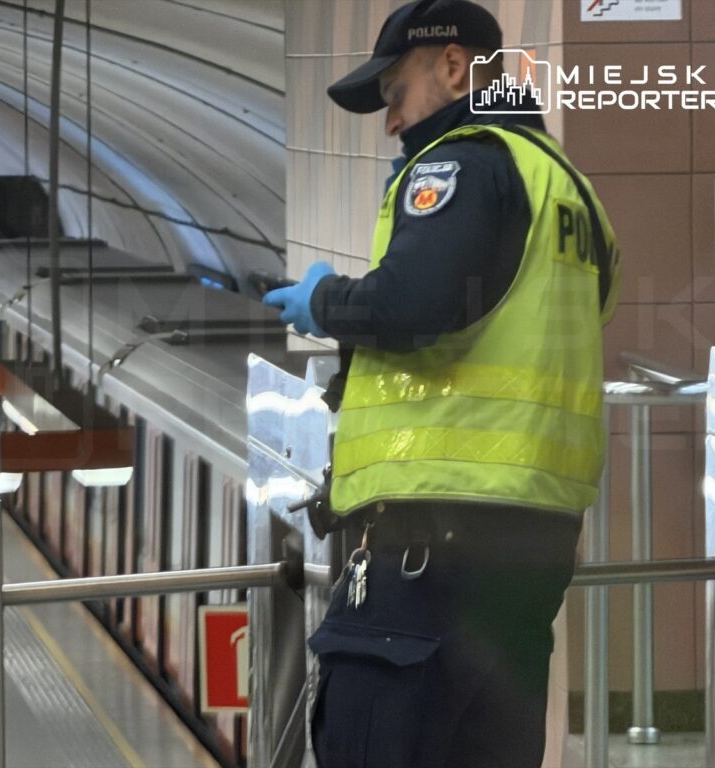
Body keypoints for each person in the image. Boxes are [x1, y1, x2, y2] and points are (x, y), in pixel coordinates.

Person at [263, 0, 622, 766]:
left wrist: (324, 302)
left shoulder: (461, 162)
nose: (391, 122)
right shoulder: (571, 191)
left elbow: (410, 304)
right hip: (532, 543)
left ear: (454, 67)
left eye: (395, 94)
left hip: (431, 547)